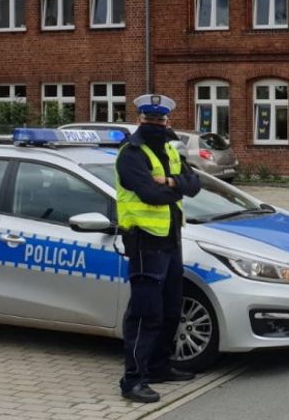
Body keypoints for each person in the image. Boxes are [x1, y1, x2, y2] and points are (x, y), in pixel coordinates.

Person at [115, 93, 202, 403]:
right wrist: (174, 187)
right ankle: (133, 380)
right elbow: (150, 195)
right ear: (140, 119)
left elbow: (195, 184)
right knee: (144, 313)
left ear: (168, 121)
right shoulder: (130, 154)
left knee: (170, 309)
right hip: (144, 242)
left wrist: (167, 180)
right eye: (149, 119)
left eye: (159, 120)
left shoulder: (169, 149)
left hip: (170, 240)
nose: (155, 124)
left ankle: (158, 367)